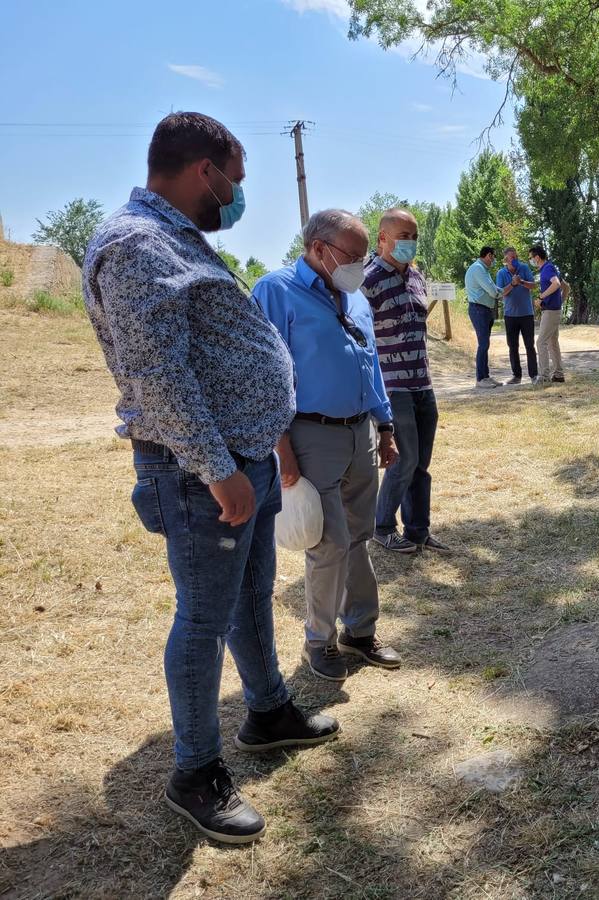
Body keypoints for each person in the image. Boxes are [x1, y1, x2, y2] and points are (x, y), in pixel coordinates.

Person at [83, 112, 337, 845]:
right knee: (201, 617)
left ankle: (267, 710)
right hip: (202, 473)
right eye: (237, 181)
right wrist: (220, 469)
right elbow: (159, 377)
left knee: (248, 597)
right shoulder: (136, 246)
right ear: (205, 171)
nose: (237, 196)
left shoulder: (175, 239)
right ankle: (195, 772)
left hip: (241, 459)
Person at [253, 209, 403, 682]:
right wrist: (283, 448)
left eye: (362, 256)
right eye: (352, 255)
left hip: (360, 432)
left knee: (359, 537)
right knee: (328, 541)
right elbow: (265, 379)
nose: (359, 264)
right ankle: (320, 639)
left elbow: (370, 363)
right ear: (318, 249)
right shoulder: (276, 292)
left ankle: (360, 631)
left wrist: (384, 426)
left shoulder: (354, 297)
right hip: (310, 434)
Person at [361, 207, 451, 555]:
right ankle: (381, 528)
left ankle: (418, 531)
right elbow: (359, 335)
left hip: (422, 384)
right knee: (404, 459)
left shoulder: (416, 277)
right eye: (403, 237)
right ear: (383, 238)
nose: (410, 243)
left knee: (421, 464)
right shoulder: (367, 280)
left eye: (414, 237)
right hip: (392, 387)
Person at [465, 246, 511, 388]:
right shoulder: (478, 268)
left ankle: (486, 376)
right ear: (488, 255)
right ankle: (480, 379)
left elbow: (495, 289)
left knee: (485, 344)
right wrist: (510, 286)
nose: (493, 260)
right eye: (493, 257)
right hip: (478, 309)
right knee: (483, 344)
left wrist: (502, 290)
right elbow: (493, 292)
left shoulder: (483, 269)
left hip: (484, 309)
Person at [497, 247, 538, 384]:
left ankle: (534, 375)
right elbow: (501, 292)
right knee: (513, 346)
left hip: (526, 314)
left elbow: (533, 286)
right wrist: (513, 284)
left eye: (516, 257)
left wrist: (521, 282)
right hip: (510, 315)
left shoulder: (524, 268)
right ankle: (517, 376)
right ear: (506, 259)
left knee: (529, 345)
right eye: (512, 257)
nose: (515, 259)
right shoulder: (501, 273)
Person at [530, 244, 565, 383]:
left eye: (531, 258)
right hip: (553, 310)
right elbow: (564, 285)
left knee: (541, 342)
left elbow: (556, 284)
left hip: (551, 311)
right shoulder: (548, 268)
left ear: (537, 257)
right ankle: (558, 374)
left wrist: (541, 297)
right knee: (552, 342)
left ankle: (544, 376)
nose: (531, 261)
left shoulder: (547, 268)